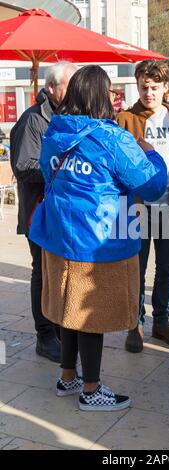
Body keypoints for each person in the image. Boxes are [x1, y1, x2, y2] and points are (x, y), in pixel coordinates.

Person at [29, 65, 168, 411]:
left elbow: (48, 174)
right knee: (89, 313)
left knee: (69, 307)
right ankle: (91, 390)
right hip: (99, 239)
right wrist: (151, 154)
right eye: (108, 91)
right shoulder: (113, 137)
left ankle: (67, 377)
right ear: (98, 95)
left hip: (60, 235)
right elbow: (151, 186)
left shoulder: (55, 130)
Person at [117, 60, 169, 353]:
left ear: (166, 87)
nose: (148, 92)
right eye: (143, 86)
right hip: (134, 209)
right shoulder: (124, 120)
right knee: (134, 270)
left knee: (166, 269)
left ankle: (162, 322)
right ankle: (134, 324)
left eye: (154, 87)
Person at [10, 62, 78, 363]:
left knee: (59, 274)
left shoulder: (69, 117)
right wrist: (61, 168)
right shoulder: (32, 120)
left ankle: (60, 328)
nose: (75, 90)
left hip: (62, 213)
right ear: (52, 88)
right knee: (43, 273)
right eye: (69, 84)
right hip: (38, 213)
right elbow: (23, 167)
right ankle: (44, 336)